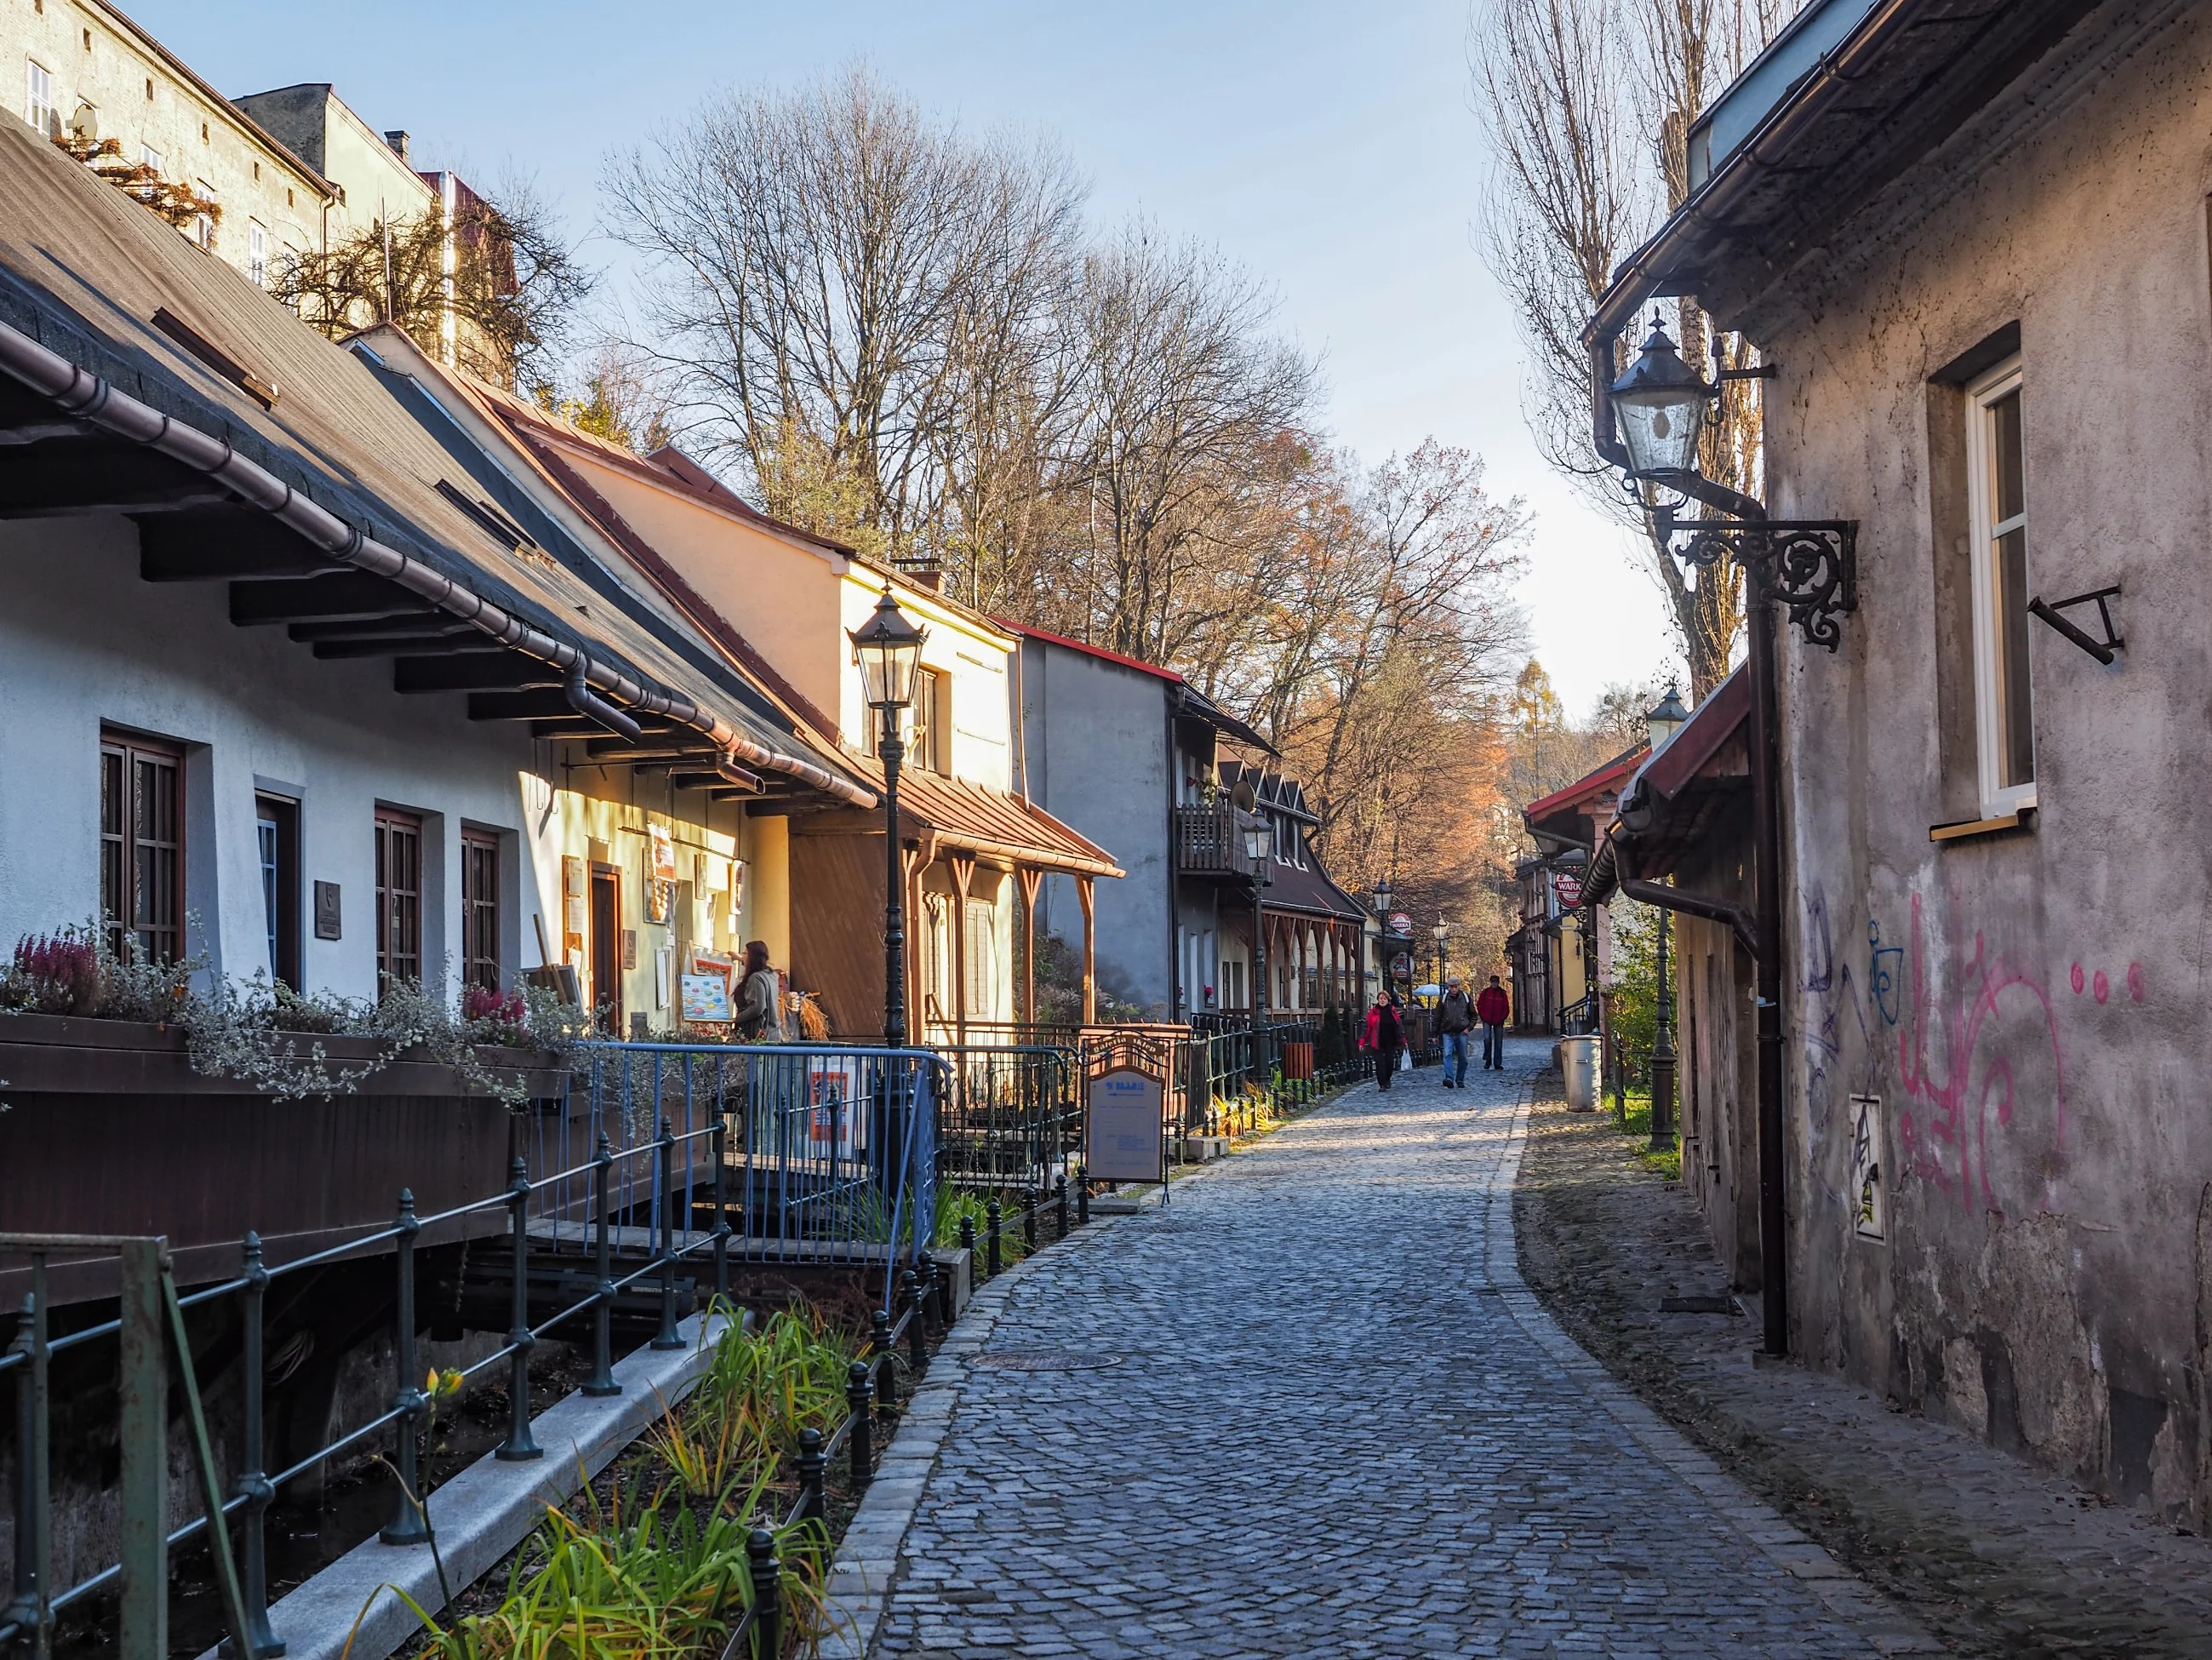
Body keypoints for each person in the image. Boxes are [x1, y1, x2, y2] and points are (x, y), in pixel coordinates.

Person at [734, 940, 787, 1043]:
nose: (742, 956)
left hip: (757, 1032)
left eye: (745, 953)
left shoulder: (756, 977)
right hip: (773, 1032)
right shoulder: (770, 975)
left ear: (752, 956)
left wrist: (737, 1018)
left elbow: (758, 1007)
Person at [1359, 990, 1405, 1091]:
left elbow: (1399, 1027)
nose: (1382, 1000)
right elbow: (1366, 1028)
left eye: (1384, 999)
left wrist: (1403, 1040)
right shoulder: (1372, 1013)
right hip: (1377, 1042)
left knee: (1389, 1062)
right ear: (1378, 1000)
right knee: (1380, 1064)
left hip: (1390, 1041)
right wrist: (1362, 1042)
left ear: (1388, 1000)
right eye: (1381, 998)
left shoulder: (1393, 1011)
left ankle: (1387, 1078)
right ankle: (1382, 1084)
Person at [1437, 976, 1474, 1088]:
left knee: (1463, 1057)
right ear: (1449, 987)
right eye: (1451, 987)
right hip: (1447, 1031)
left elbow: (1473, 1015)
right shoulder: (1444, 999)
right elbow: (1437, 1016)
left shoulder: (1466, 998)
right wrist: (1435, 1034)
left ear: (1459, 987)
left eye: (1455, 987)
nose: (1453, 989)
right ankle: (1449, 1078)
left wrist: (1469, 1028)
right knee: (1447, 1054)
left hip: (1462, 1031)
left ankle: (1460, 1079)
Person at [1477, 974, 1511, 1070]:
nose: (1494, 983)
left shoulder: (1502, 994)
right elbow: (1480, 1005)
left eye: (1496, 982)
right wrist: (1483, 1016)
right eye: (1493, 982)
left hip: (1499, 1020)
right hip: (1487, 1019)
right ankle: (1488, 1059)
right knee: (1487, 1039)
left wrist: (1502, 1018)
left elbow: (1506, 1007)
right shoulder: (1486, 993)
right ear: (1490, 982)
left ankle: (1497, 1063)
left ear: (1498, 982)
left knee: (1498, 1042)